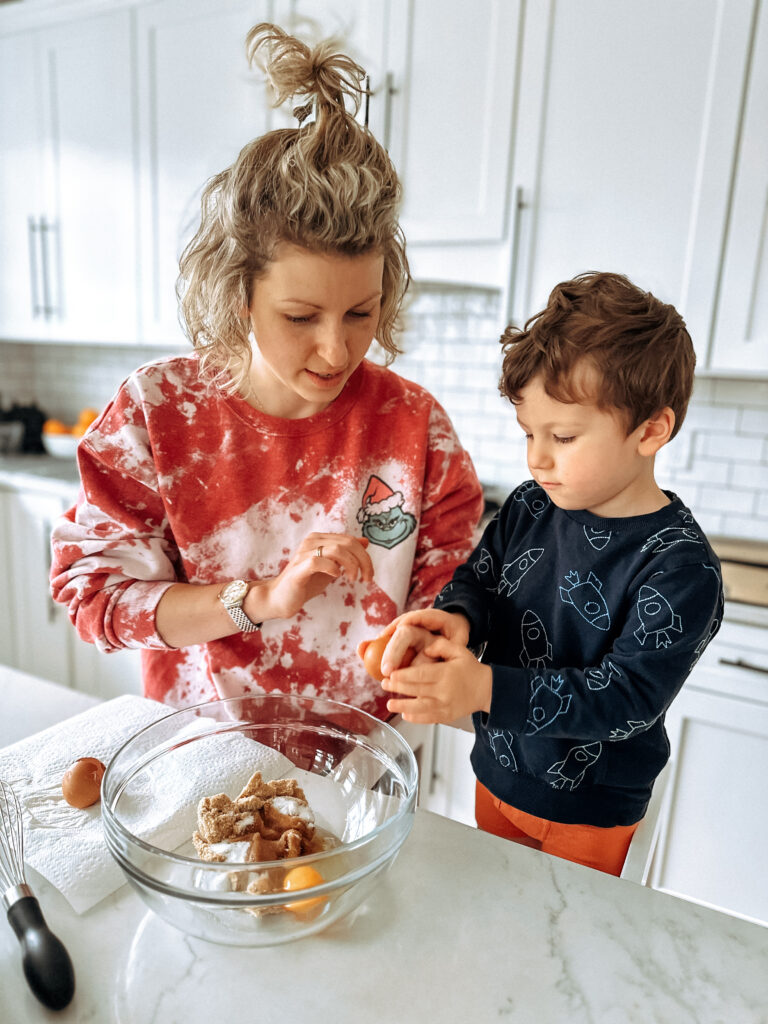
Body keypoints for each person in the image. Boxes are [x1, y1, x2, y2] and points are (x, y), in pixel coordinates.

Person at [49, 23, 483, 718]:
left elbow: (457, 586)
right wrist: (260, 601)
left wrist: (444, 637)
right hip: (199, 760)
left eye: (361, 314)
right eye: (301, 317)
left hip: (358, 768)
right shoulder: (158, 413)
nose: (338, 353)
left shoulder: (415, 427)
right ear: (237, 293)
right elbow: (96, 600)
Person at [377, 271, 723, 875]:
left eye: (562, 436)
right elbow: (478, 581)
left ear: (651, 430)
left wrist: (485, 689)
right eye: (529, 433)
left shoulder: (680, 569)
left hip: (592, 810)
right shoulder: (532, 505)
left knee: (563, 944)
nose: (536, 457)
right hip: (497, 773)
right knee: (495, 913)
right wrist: (455, 619)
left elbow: (626, 700)